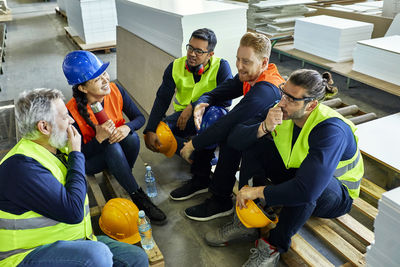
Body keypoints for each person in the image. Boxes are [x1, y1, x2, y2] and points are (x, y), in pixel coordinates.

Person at [207, 69, 363, 267]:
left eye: (291, 99)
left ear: (311, 105)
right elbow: (235, 139)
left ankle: (272, 246)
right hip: (299, 176)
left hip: (335, 195)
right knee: (256, 141)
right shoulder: (281, 110)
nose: (282, 103)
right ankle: (247, 220)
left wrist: (257, 191)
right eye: (283, 93)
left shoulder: (331, 130)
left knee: (310, 186)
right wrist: (264, 127)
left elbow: (307, 190)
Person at [0, 88, 148, 267]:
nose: (71, 120)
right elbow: (74, 211)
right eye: (64, 117)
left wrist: (97, 139)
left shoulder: (53, 147)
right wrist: (75, 153)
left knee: (136, 258)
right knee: (97, 256)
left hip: (73, 240)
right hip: (27, 255)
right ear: (44, 127)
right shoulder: (21, 168)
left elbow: (85, 161)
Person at [180, 32, 284, 221]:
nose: (239, 66)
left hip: (277, 159)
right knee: (219, 118)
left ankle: (221, 200)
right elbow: (220, 91)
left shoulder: (265, 90)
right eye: (238, 59)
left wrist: (193, 145)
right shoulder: (252, 74)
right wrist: (202, 101)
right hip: (264, 142)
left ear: (263, 62)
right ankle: (201, 179)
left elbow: (230, 121)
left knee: (233, 135)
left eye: (246, 61)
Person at [62, 50, 166, 225]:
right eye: (97, 79)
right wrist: (98, 138)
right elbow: (78, 156)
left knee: (131, 137)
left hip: (114, 150)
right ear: (82, 87)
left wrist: (127, 127)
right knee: (112, 146)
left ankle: (124, 174)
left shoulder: (115, 90)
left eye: (104, 73)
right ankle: (138, 196)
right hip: (90, 159)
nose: (105, 80)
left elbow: (139, 118)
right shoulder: (70, 112)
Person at [143, 28, 233, 200]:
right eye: (190, 48)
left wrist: (194, 105)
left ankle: (200, 173)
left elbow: (226, 100)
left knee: (214, 115)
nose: (192, 54)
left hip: (209, 117)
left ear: (210, 54)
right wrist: (150, 129)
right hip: (183, 119)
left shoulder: (221, 66)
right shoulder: (175, 66)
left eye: (199, 51)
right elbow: (162, 99)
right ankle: (195, 152)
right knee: (160, 136)